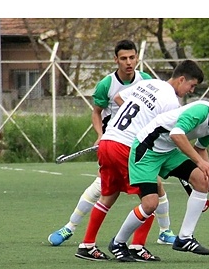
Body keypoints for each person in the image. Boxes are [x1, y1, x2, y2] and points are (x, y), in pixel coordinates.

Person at [74, 60, 204, 261]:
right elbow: (165, 134)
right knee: (153, 194)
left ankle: (87, 245)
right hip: (126, 146)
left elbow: (118, 98)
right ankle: (136, 246)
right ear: (181, 79)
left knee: (109, 195)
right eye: (191, 85)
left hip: (108, 140)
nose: (191, 91)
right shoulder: (170, 101)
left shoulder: (148, 83)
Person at [107, 85, 209, 261]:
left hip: (169, 151)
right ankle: (118, 242)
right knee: (150, 204)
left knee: (202, 180)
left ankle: (184, 238)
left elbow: (200, 148)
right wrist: (200, 163)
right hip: (147, 148)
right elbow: (177, 134)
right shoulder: (200, 111)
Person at [48, 39, 161, 246]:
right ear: (115, 60)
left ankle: (165, 231)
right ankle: (71, 228)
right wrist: (100, 134)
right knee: (102, 188)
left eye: (132, 58)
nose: (128, 62)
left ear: (137, 58)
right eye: (124, 58)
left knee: (155, 188)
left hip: (138, 146)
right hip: (117, 145)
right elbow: (96, 113)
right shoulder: (106, 84)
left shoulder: (145, 80)